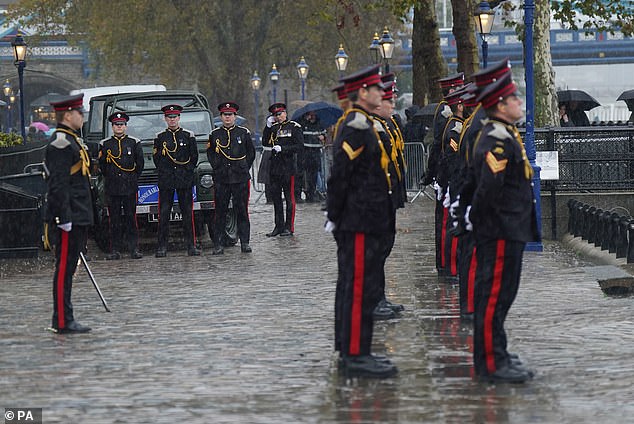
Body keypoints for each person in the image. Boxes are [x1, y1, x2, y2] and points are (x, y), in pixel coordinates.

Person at [326, 64, 398, 378]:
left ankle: (355, 350)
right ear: (362, 93)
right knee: (357, 288)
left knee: (360, 286)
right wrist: (335, 216)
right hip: (357, 220)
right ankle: (355, 354)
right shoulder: (355, 126)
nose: (382, 93)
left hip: (365, 219)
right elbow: (341, 175)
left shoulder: (363, 124)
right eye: (376, 89)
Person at [468, 73, 539, 383]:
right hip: (499, 231)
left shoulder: (504, 133)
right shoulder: (495, 139)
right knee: (493, 296)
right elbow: (488, 191)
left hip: (508, 229)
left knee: (502, 296)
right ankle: (491, 364)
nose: (519, 102)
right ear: (499, 105)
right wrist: (486, 225)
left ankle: (498, 351)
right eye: (514, 99)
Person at [45, 93, 93, 334]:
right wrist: (63, 218)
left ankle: (65, 317)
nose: (82, 116)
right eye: (79, 113)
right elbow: (59, 184)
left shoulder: (72, 140)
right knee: (64, 268)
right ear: (67, 115)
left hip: (77, 213)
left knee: (69, 268)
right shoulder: (61, 143)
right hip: (68, 216)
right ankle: (63, 320)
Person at [207, 102, 256, 255]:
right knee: (220, 211)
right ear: (221, 117)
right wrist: (218, 167)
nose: (227, 118)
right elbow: (211, 154)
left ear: (235, 116)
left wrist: (242, 167)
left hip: (239, 177)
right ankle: (219, 243)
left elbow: (251, 153)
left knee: (241, 210)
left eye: (230, 115)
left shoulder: (243, 133)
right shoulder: (215, 134)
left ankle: (245, 242)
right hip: (222, 178)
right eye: (225, 115)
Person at [152, 104, 201, 257]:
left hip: (183, 179)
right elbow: (157, 158)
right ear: (165, 119)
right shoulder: (160, 137)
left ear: (179, 118)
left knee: (187, 214)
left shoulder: (188, 135)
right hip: (167, 180)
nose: (172, 120)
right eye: (169, 117)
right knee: (164, 214)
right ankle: (162, 247)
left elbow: (194, 157)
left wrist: (186, 170)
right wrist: (165, 171)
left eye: (174, 117)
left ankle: (191, 246)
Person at [98, 112, 144, 260]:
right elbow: (103, 166)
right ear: (112, 127)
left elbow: (140, 164)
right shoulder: (105, 144)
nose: (119, 127)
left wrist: (131, 178)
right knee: (114, 220)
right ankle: (115, 250)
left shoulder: (134, 142)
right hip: (113, 187)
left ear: (126, 126)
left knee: (131, 219)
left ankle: (134, 249)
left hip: (129, 185)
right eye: (116, 125)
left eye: (122, 125)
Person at [262, 103, 304, 237]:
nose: (278, 117)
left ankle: (289, 227)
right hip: (275, 167)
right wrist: (267, 127)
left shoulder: (294, 127)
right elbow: (265, 142)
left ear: (285, 113)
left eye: (280, 114)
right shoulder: (273, 128)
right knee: (276, 199)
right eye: (275, 115)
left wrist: (284, 149)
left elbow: (299, 146)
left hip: (288, 167)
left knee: (289, 198)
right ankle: (278, 226)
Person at [298, 111, 326, 203]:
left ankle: (312, 193)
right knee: (305, 174)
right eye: (310, 114)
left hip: (316, 152)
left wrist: (323, 136)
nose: (312, 116)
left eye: (313, 114)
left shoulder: (319, 124)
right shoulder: (302, 124)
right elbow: (299, 136)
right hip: (306, 152)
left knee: (314, 174)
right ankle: (306, 192)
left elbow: (324, 134)